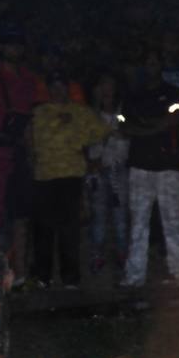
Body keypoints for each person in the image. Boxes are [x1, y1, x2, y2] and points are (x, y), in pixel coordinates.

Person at [29, 72, 109, 288]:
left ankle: (71, 278)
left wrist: (78, 128)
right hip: (44, 175)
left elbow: (101, 131)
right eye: (53, 87)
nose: (58, 91)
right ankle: (43, 277)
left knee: (69, 229)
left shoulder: (80, 112)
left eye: (61, 87)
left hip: (71, 175)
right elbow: (33, 140)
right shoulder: (40, 112)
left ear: (67, 89)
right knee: (44, 229)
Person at [121, 50, 179, 287]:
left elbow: (173, 122)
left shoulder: (174, 93)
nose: (151, 65)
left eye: (155, 61)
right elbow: (124, 126)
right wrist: (155, 127)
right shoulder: (133, 96)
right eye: (147, 62)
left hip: (168, 168)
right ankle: (134, 277)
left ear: (161, 65)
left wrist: (145, 127)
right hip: (139, 167)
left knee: (172, 221)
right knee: (138, 223)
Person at [0, 25, 41, 285]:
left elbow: (31, 117)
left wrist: (32, 152)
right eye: (10, 44)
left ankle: (19, 273)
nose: (14, 49)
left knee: (20, 214)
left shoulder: (28, 79)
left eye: (18, 45)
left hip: (18, 150)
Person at [86, 72, 129, 275]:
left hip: (119, 170)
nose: (107, 89)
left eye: (111, 85)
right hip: (97, 170)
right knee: (99, 218)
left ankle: (122, 257)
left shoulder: (123, 113)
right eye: (104, 85)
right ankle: (97, 258)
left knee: (121, 218)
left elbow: (129, 136)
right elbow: (85, 143)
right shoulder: (90, 116)